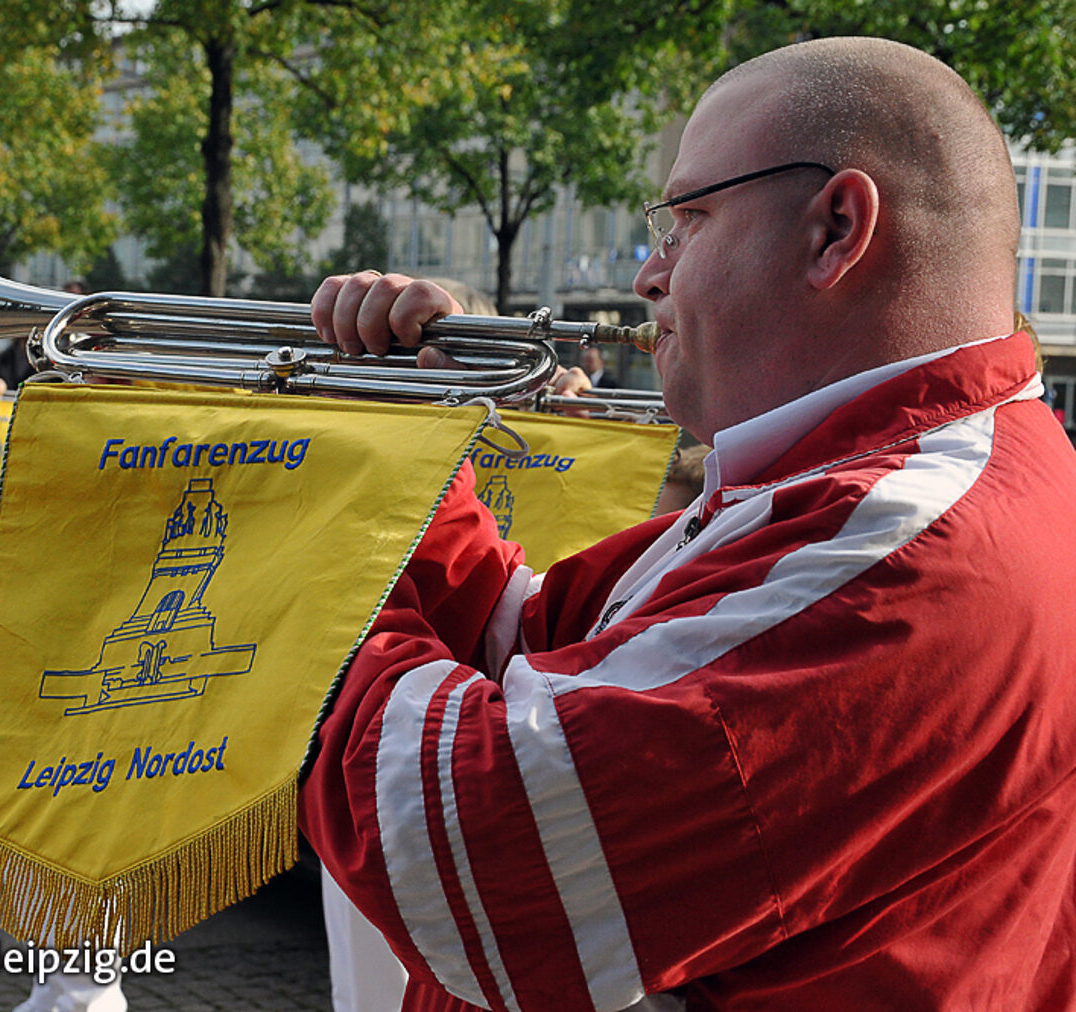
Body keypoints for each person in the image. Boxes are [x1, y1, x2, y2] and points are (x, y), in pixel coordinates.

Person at [300, 36, 1076, 1011]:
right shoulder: (871, 476)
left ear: (835, 228)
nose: (646, 275)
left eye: (685, 222)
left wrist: (316, 527)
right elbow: (541, 646)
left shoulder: (901, 533)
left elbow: (464, 841)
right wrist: (409, 446)